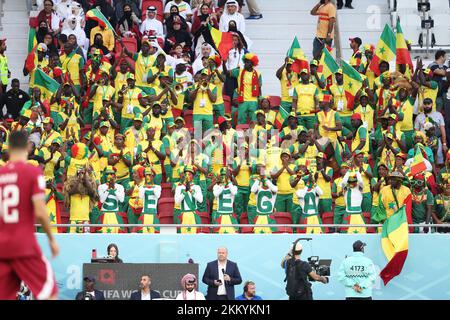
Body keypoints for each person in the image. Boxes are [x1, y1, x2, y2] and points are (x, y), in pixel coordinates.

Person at [0, 131, 59, 300]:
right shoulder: (32, 172)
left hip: (2, 247)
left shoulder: (1, 175)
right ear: (27, 146)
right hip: (24, 245)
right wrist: (51, 239)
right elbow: (40, 211)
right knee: (50, 293)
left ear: (9, 148)